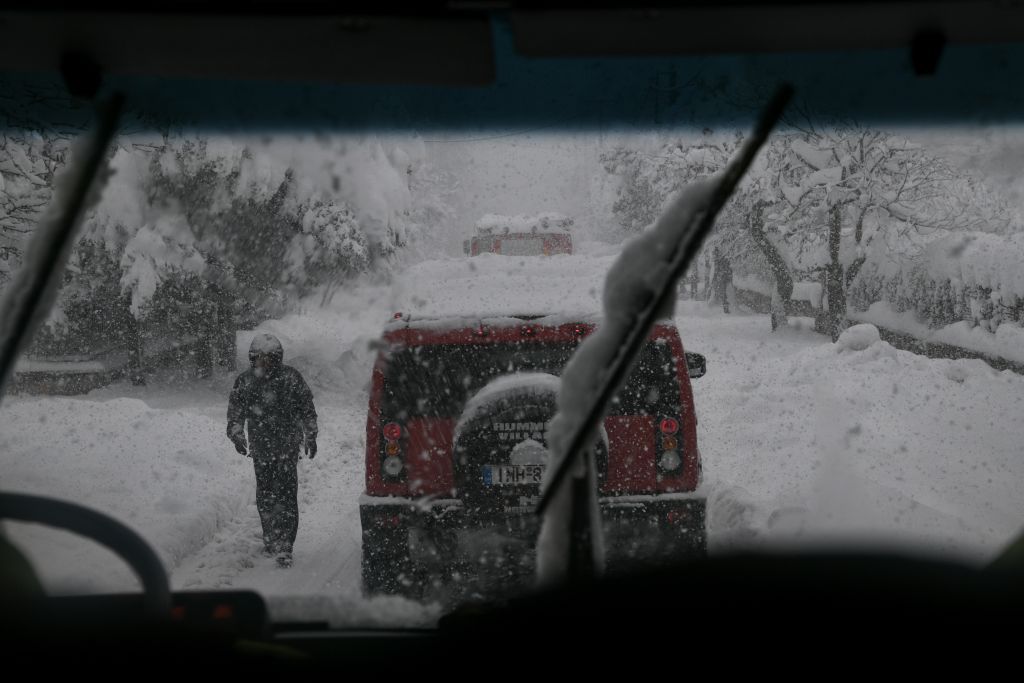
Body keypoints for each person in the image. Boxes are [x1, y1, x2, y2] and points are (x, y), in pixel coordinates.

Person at [227, 334, 318, 568]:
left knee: (287, 496)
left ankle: (286, 544)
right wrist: (236, 433)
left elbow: (307, 407)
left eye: (268, 358)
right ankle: (270, 538)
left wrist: (311, 434)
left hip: (287, 449)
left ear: (277, 358)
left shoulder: (291, 378)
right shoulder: (245, 381)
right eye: (258, 358)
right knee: (265, 496)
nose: (263, 363)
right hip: (261, 450)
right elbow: (235, 410)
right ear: (252, 359)